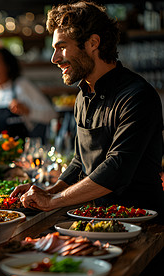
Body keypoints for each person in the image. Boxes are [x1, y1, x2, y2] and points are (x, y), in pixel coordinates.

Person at [11, 1, 164, 223]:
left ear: (93, 43)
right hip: (97, 219)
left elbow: (117, 168)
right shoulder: (83, 95)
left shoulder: (137, 95)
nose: (55, 58)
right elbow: (80, 161)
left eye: (61, 47)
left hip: (142, 223)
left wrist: (54, 201)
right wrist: (50, 191)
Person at [0, 43, 57, 142]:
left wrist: (28, 111)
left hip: (22, 152)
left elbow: (51, 115)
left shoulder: (21, 86)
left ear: (7, 65)